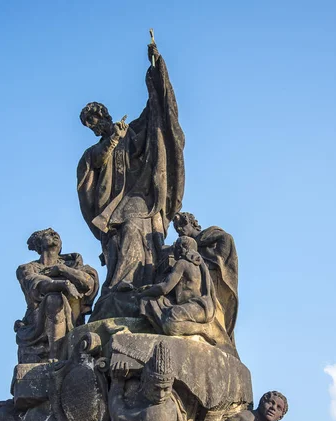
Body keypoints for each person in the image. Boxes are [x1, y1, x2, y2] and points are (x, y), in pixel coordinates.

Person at [77, 40, 185, 316]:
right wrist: (113, 138)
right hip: (112, 204)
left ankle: (134, 282)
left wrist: (155, 71)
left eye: (96, 118)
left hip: (138, 195)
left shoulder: (128, 131)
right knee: (124, 230)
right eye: (91, 124)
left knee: (137, 224)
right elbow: (97, 161)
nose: (95, 125)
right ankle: (121, 284)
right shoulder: (96, 150)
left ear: (104, 114)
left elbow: (154, 120)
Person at [15, 228, 98, 362]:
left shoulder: (72, 264)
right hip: (39, 321)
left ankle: (58, 356)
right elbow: (38, 285)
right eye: (48, 234)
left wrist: (62, 269)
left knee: (56, 299)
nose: (54, 235)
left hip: (71, 317)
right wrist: (64, 285)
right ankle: (55, 357)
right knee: (54, 298)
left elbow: (88, 283)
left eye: (56, 234)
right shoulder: (28, 268)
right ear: (39, 244)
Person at [173, 212, 238, 339]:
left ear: (191, 223)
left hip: (215, 276)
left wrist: (216, 259)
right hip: (201, 277)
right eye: (177, 229)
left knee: (218, 310)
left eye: (181, 226)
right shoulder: (188, 246)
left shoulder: (208, 234)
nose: (180, 231)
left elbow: (227, 238)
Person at [139, 236, 218, 341]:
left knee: (170, 324)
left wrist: (141, 294)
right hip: (201, 307)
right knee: (149, 301)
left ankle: (203, 329)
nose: (173, 249)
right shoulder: (200, 264)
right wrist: (152, 288)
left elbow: (165, 288)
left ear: (181, 248)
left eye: (175, 246)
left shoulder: (182, 263)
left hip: (197, 307)